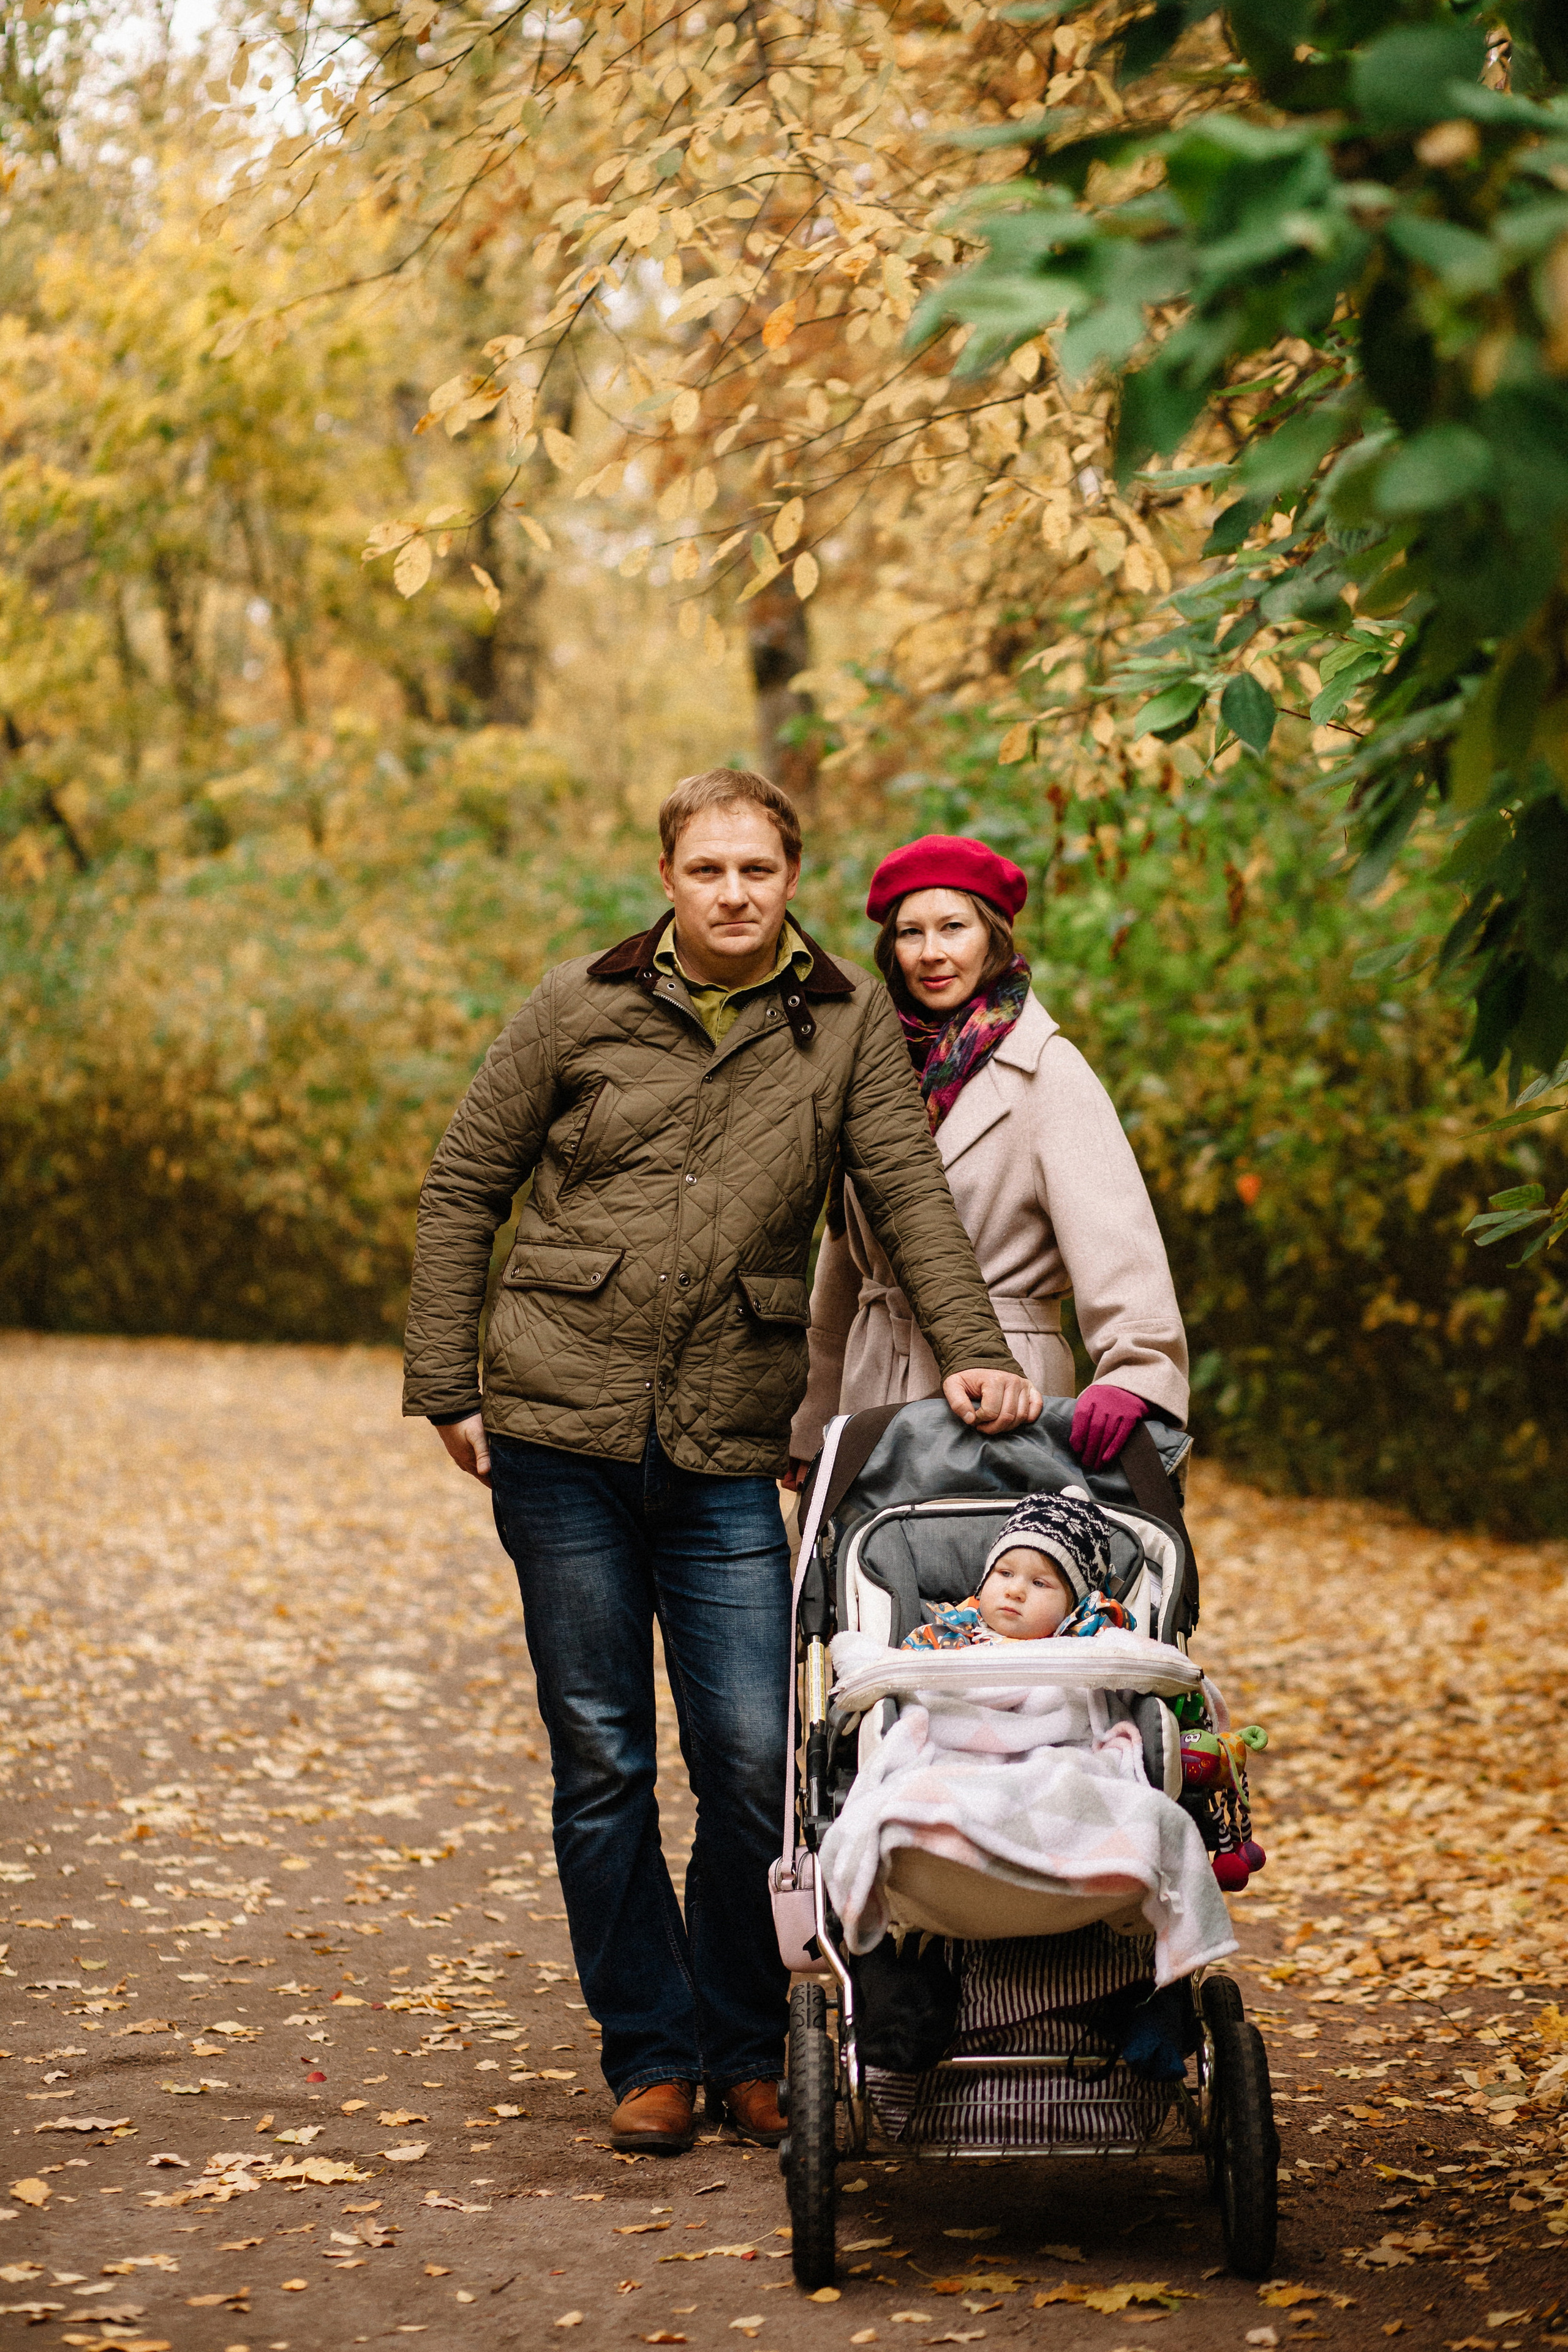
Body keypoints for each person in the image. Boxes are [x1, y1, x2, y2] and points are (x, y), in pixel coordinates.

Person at [401, 770, 1042, 2160]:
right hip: (557, 1429)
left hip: (726, 1439)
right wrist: (444, 1381)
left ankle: (749, 2043)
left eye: (757, 868)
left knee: (754, 1760)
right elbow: (463, 1186)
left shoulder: (844, 1021)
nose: (734, 892)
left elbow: (906, 1192)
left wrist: (975, 1352)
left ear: (790, 876)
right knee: (602, 1756)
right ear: (668, 877)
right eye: (708, 869)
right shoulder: (576, 1004)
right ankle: (652, 2051)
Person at [788, 832, 1188, 1482]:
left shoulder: (1048, 1071)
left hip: (1005, 1392)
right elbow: (843, 1269)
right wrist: (811, 1422)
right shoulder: (874, 1066)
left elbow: (1118, 1239)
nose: (932, 952)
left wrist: (1136, 1373)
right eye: (911, 933)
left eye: (953, 927)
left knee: (982, 1551)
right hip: (869, 1392)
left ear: (993, 937)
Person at [901, 1490, 1137, 1647]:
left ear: (1075, 1606)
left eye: (1039, 1583)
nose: (1014, 1591)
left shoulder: (1095, 1640)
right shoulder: (949, 1633)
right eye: (1005, 1573)